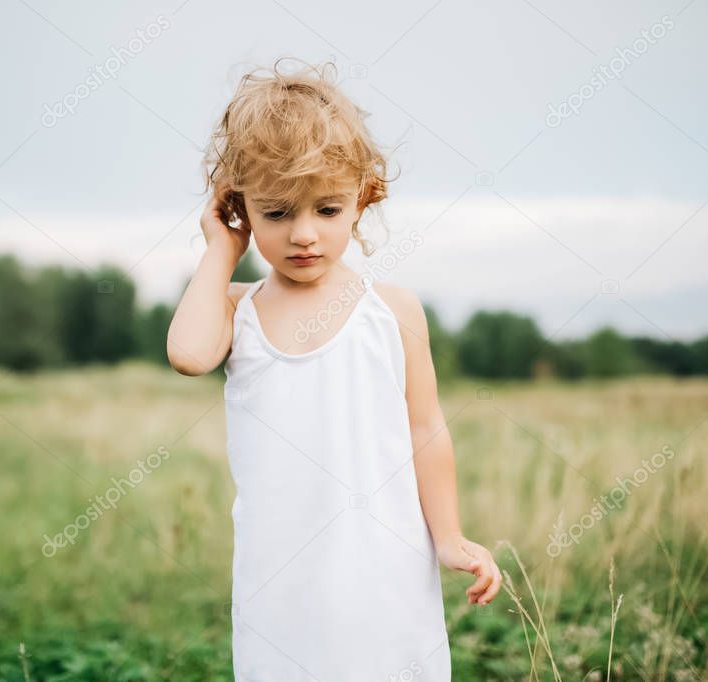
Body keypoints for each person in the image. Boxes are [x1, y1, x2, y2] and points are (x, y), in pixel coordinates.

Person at [168, 57, 502, 681]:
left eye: (326, 210)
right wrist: (221, 249)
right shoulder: (238, 308)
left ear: (362, 199)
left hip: (387, 571)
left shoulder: (392, 311)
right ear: (238, 207)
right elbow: (189, 354)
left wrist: (450, 536)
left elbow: (427, 429)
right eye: (275, 212)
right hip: (280, 583)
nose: (303, 235)